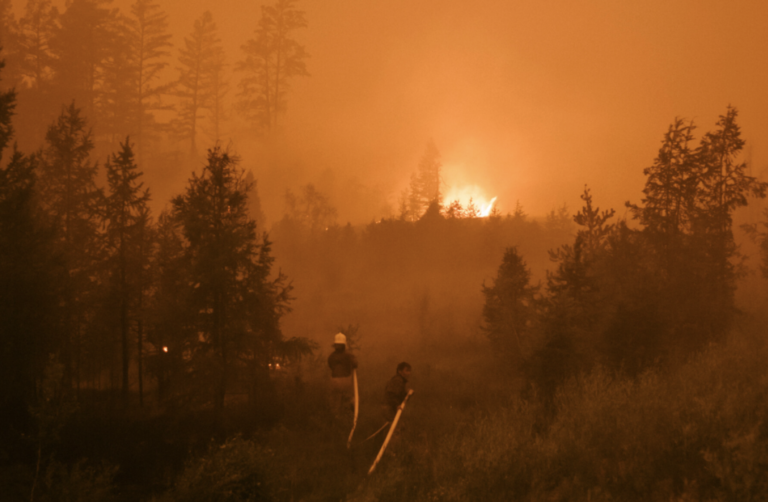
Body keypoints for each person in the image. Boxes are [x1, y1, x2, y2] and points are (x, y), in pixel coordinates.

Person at [327, 332, 357, 420]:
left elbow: (331, 366)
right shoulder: (348, 355)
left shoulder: (333, 356)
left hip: (339, 381)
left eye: (339, 345)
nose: (338, 347)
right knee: (339, 401)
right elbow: (355, 364)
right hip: (341, 381)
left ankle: (343, 418)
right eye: (337, 345)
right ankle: (339, 419)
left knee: (340, 401)